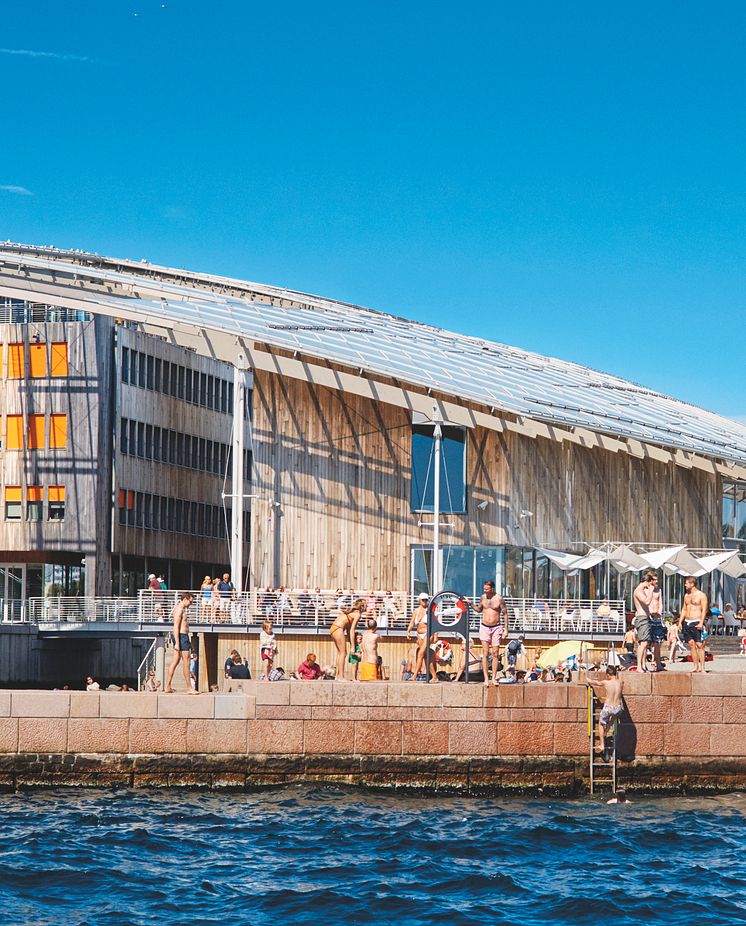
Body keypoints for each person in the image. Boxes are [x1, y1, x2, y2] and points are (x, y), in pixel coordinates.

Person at [474, 579, 507, 687]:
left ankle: (493, 678)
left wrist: (506, 629)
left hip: (496, 627)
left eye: (487, 589)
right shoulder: (483, 597)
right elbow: (479, 610)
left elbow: (505, 613)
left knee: (495, 653)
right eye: (484, 589)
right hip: (484, 627)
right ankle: (486, 678)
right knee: (485, 652)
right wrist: (470, 604)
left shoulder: (499, 599)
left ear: (492, 588)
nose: (485, 591)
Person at [586, 665, 623, 760]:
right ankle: (608, 728)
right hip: (618, 708)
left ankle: (602, 744)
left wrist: (588, 680)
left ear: (608, 674)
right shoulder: (621, 682)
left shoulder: (606, 682)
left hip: (608, 707)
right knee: (614, 716)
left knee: (601, 724)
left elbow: (596, 682)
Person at [165, 592, 196, 693]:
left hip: (183, 637)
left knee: (175, 661)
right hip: (182, 637)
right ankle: (189, 688)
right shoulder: (179, 610)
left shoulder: (181, 609)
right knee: (187, 662)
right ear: (185, 599)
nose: (191, 604)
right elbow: (176, 627)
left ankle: (168, 686)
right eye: (190, 601)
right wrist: (177, 643)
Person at [329, 599, 364, 679]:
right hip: (338, 628)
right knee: (343, 653)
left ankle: (337, 676)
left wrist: (351, 642)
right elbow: (352, 630)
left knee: (339, 653)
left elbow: (348, 630)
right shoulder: (357, 614)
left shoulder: (351, 613)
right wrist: (352, 646)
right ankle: (341, 677)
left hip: (333, 628)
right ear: (362, 607)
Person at [681, 576, 708, 673]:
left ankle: (703, 667)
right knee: (691, 644)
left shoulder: (701, 595)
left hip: (697, 621)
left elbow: (704, 609)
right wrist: (680, 621)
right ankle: (695, 666)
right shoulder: (686, 595)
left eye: (686, 583)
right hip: (687, 622)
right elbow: (684, 609)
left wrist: (701, 622)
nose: (685, 585)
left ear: (692, 584)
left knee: (699, 645)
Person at [633, 572, 656, 672]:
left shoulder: (641, 590)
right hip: (642, 618)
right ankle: (639, 666)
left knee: (646, 643)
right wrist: (651, 591)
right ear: (647, 582)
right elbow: (646, 601)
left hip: (645, 618)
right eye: (650, 584)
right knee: (643, 642)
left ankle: (642, 665)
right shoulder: (638, 591)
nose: (650, 586)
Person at [406, 593, 430, 682]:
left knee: (420, 653)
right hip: (419, 634)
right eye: (423, 600)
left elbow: (435, 622)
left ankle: (414, 676)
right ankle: (434, 676)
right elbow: (412, 622)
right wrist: (408, 630)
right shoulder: (416, 611)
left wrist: (435, 635)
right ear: (419, 600)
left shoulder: (430, 610)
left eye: (426, 600)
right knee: (424, 655)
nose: (425, 601)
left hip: (427, 633)